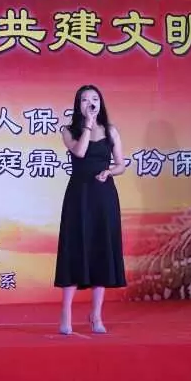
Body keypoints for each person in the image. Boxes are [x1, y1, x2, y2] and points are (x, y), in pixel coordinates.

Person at [54, 85, 127, 335]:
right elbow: (80, 151)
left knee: (100, 249)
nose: (90, 103)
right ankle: (66, 313)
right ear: (78, 105)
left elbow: (121, 164)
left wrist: (109, 171)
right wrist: (88, 125)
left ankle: (96, 315)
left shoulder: (111, 131)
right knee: (74, 250)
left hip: (103, 196)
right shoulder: (69, 130)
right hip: (79, 196)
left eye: (94, 99)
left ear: (100, 102)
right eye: (84, 100)